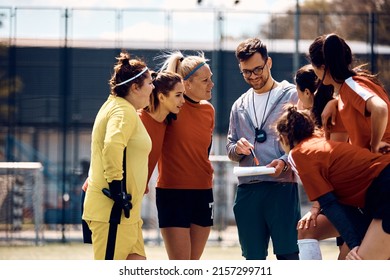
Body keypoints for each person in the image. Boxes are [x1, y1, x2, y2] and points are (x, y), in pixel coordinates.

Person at [81, 71, 186, 242]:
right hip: (108, 199)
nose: (183, 101)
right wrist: (117, 191)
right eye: (178, 95)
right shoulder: (136, 118)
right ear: (161, 97)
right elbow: (112, 149)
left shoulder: (167, 123)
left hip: (128, 201)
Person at [275, 105, 390, 260]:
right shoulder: (319, 142)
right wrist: (356, 241)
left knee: (361, 263)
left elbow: (330, 204)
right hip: (380, 190)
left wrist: (355, 244)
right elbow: (341, 204)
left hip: (384, 187)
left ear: (283, 137)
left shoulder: (298, 154)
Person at [226, 37, 301, 260]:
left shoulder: (291, 96)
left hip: (282, 188)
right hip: (247, 191)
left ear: (268, 63)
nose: (253, 76)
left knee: (288, 257)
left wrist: (285, 161)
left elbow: (304, 142)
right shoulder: (239, 105)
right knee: (253, 261)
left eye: (257, 69)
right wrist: (237, 148)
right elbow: (230, 147)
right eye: (246, 72)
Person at [82, 51, 154, 260]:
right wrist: (116, 189)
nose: (153, 88)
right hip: (114, 211)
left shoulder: (122, 108)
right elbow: (112, 145)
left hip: (128, 216)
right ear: (135, 87)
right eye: (149, 83)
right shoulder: (123, 111)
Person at [156, 51, 215, 260]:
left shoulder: (209, 110)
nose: (212, 84)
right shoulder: (168, 108)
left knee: (193, 265)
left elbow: (203, 153)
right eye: (205, 80)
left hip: (203, 193)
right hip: (173, 194)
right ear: (187, 84)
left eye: (211, 78)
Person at [294, 64, 354, 260]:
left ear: (307, 92)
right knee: (305, 231)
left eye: (298, 92)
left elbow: (331, 170)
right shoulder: (315, 121)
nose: (296, 100)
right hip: (337, 202)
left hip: (356, 201)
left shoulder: (336, 116)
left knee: (349, 258)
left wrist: (315, 208)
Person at [308, 33, 390, 154]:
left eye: (313, 65)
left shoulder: (351, 85)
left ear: (323, 67)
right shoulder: (354, 83)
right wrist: (334, 102)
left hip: (382, 163)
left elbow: (380, 109)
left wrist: (374, 145)